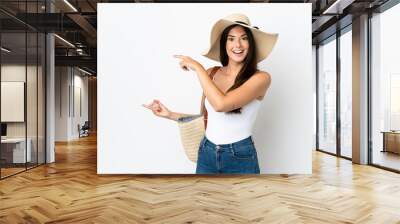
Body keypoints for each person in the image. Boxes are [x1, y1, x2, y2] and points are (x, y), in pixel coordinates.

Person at [143, 13, 278, 174]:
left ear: (251, 43)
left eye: (244, 38)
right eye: (231, 38)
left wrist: (197, 67)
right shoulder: (211, 74)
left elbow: (221, 105)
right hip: (206, 152)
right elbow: (207, 118)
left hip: (240, 156)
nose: (238, 44)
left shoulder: (260, 78)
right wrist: (169, 114)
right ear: (224, 43)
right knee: (204, 199)